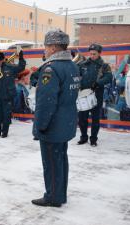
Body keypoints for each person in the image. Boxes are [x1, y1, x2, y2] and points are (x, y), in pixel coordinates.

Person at [32, 29, 80, 207]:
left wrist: (40, 126)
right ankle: (61, 194)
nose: (44, 50)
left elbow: (46, 102)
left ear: (52, 47)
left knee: (51, 163)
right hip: (66, 122)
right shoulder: (72, 66)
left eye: (45, 46)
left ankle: (53, 197)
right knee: (61, 160)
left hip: (53, 125)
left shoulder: (51, 69)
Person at [78, 44, 113, 147]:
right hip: (84, 95)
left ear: (99, 53)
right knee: (82, 118)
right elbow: (76, 75)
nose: (92, 55)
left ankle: (93, 139)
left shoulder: (104, 65)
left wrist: (98, 83)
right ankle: (83, 137)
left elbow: (109, 77)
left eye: (94, 54)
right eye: (91, 53)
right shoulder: (83, 64)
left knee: (95, 119)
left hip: (97, 95)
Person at [0, 51, 26, 138]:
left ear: (3, 59)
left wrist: (21, 58)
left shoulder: (10, 67)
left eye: (0, 60)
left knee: (6, 115)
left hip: (7, 95)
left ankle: (5, 132)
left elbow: (21, 67)